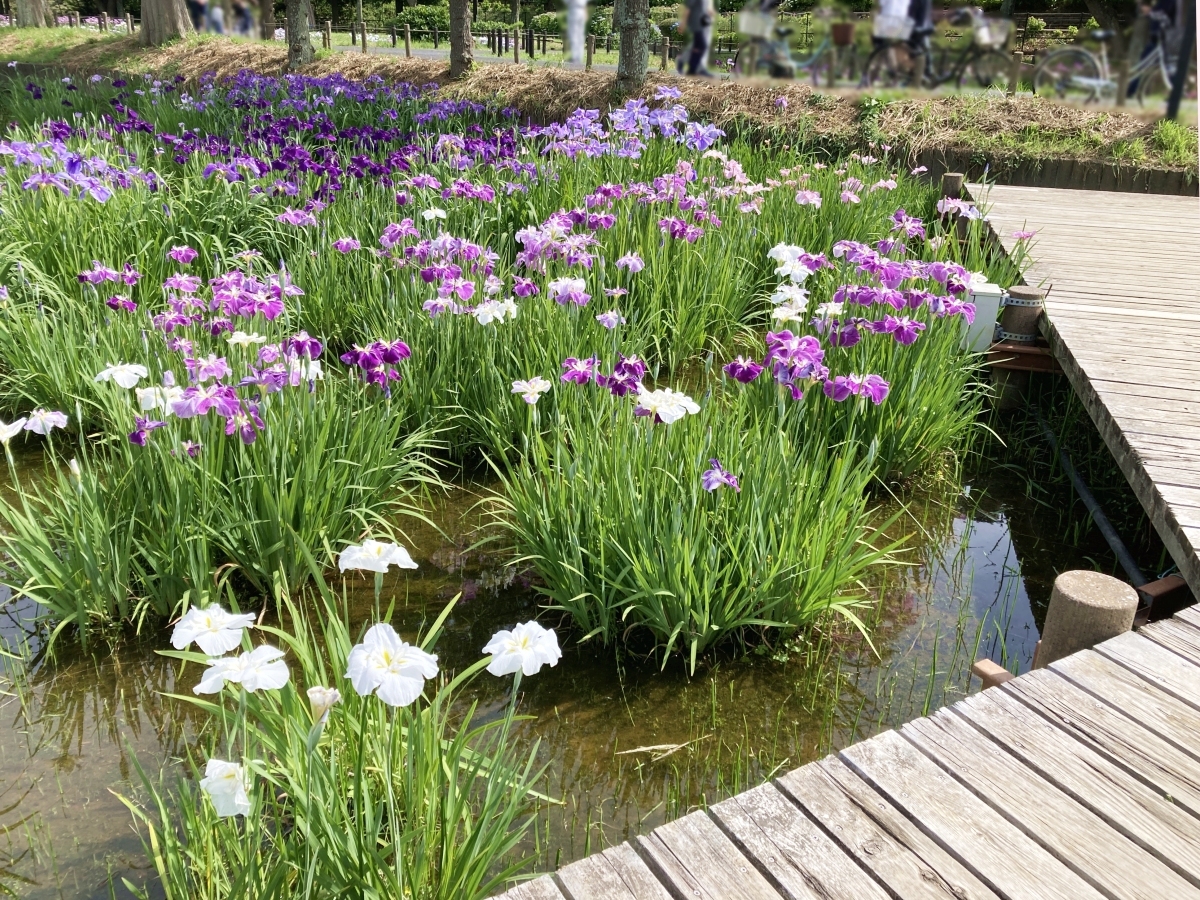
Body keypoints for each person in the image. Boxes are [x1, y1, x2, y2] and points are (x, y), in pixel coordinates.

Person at [677, 0, 715, 76]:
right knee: (702, 46)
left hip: (702, 24)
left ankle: (691, 68)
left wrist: (709, 12)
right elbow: (688, 9)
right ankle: (691, 68)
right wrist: (683, 23)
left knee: (697, 46)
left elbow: (703, 7)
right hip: (696, 24)